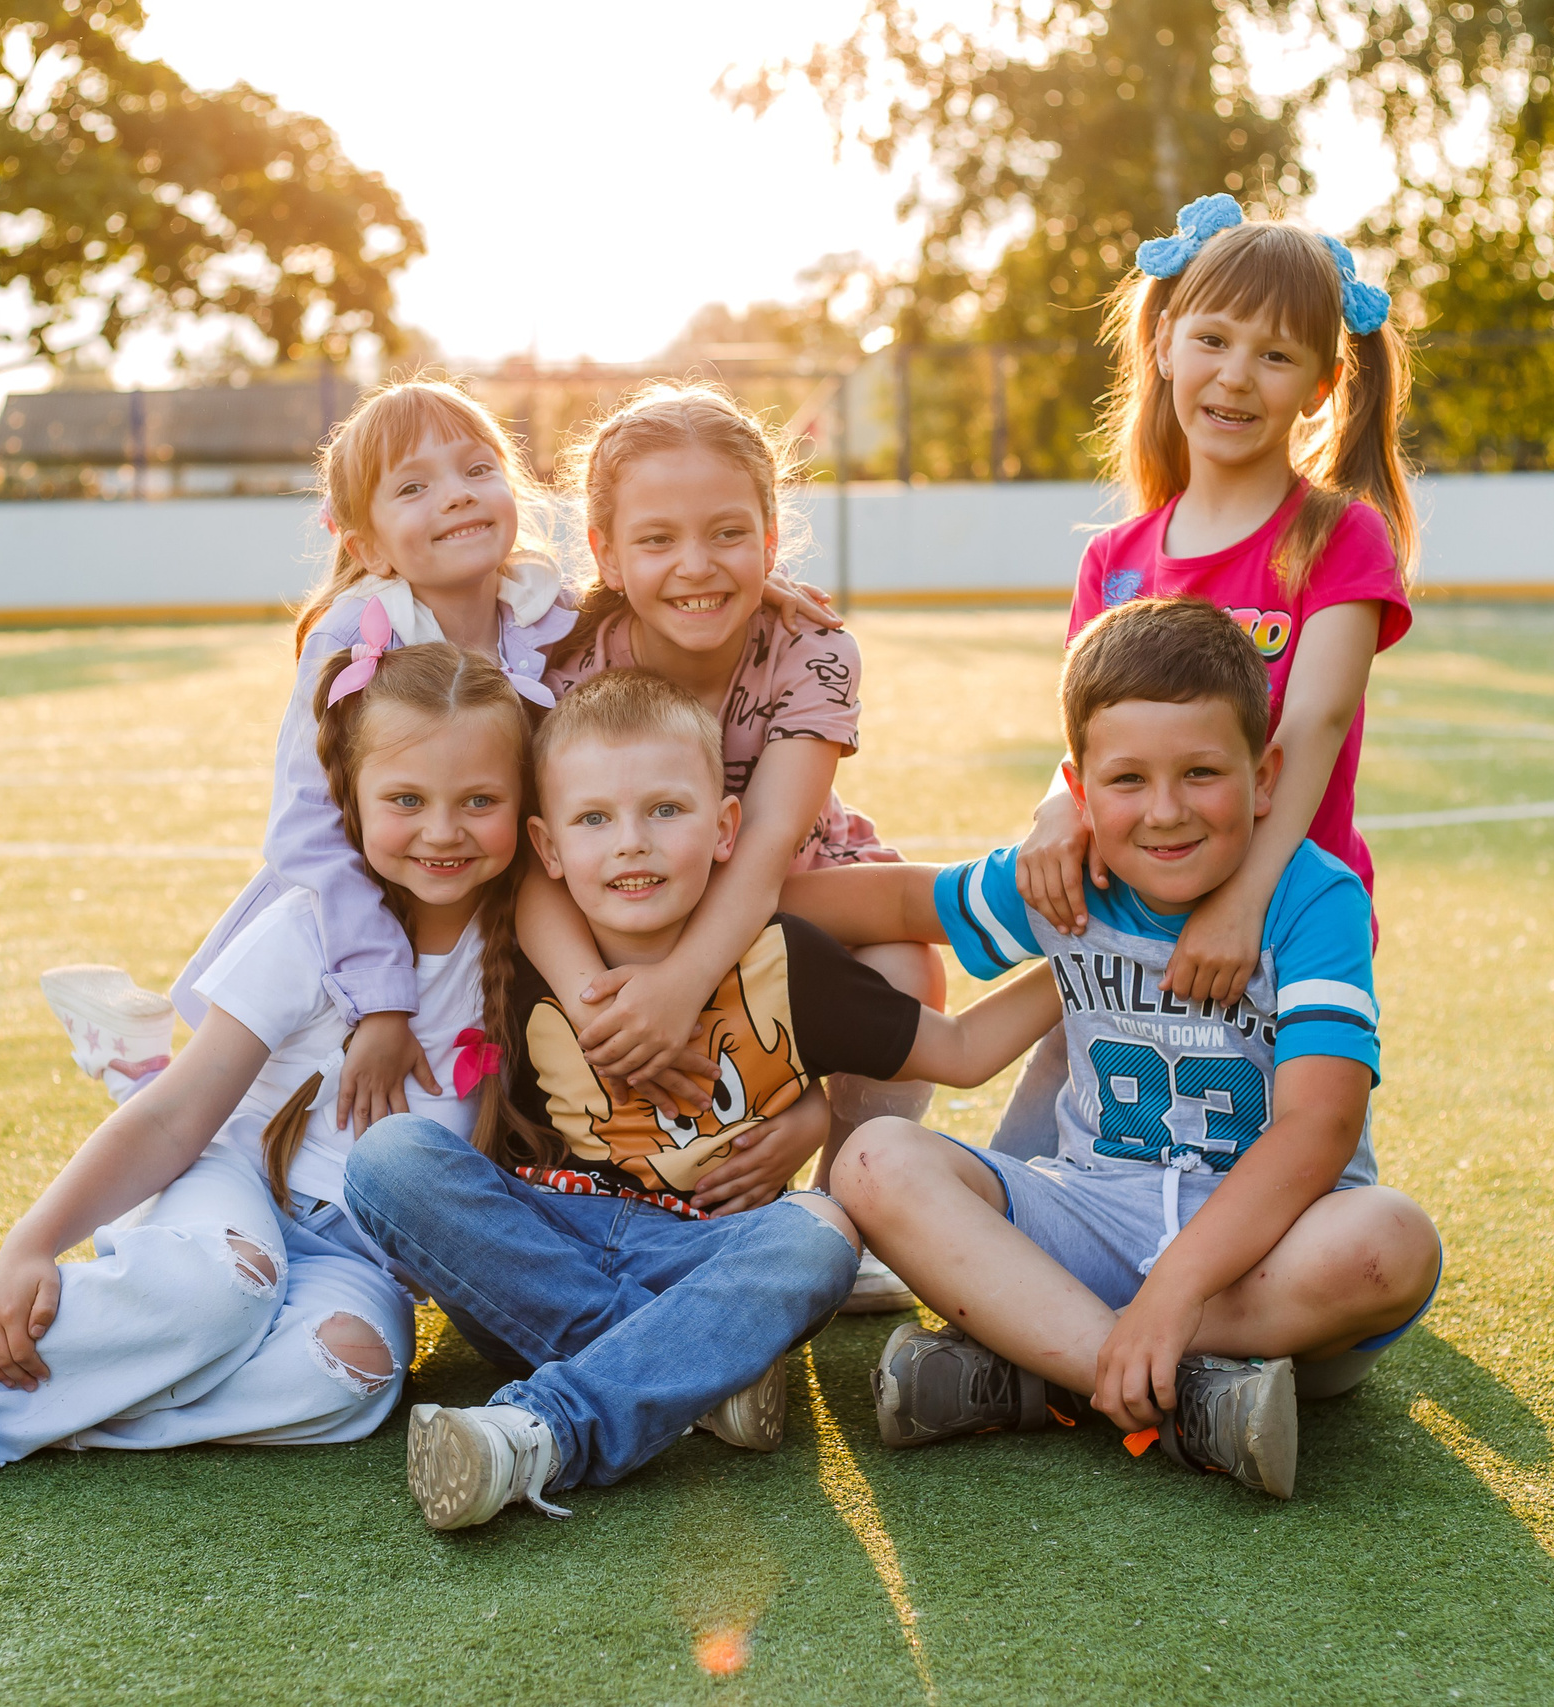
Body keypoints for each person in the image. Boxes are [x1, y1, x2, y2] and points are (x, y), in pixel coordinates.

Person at [0, 643, 534, 1482]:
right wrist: (31, 1244)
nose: (444, 829)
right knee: (227, 1289)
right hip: (239, 1187)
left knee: (351, 1377)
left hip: (360, 1263)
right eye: (406, 798)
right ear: (348, 802)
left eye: (480, 799)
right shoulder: (310, 930)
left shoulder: (530, 948)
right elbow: (172, 1117)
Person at [342, 669, 1056, 1530]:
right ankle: (697, 1364)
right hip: (543, 1238)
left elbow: (965, 1051)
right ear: (549, 845)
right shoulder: (522, 942)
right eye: (595, 819)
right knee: (387, 1160)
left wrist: (1082, 963)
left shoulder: (782, 957)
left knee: (819, 1234)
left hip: (709, 1249)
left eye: (665, 811)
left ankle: (545, 1427)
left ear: (726, 828)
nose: (631, 844)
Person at [43, 378, 841, 1130]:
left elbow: (654, 581)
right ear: (366, 541)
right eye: (414, 486)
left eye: (476, 468)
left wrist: (757, 586)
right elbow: (308, 833)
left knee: (440, 1105)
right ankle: (145, 1079)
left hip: (483, 912)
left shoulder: (539, 615)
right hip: (366, 917)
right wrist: (382, 997)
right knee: (291, 1098)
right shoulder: (356, 635)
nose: (455, 493)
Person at [782, 596, 1442, 1500]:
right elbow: (895, 905)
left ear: (1265, 775)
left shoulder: (1311, 897)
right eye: (1127, 780)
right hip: (1093, 1210)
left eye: (1201, 772)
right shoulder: (1068, 877)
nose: (1165, 812)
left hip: (1267, 1255)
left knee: (1392, 1241)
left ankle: (1041, 1365)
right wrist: (716, 903)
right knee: (874, 1161)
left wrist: (1174, 1292)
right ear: (1079, 788)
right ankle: (1181, 1390)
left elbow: (1318, 1130)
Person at [996, 197, 1419, 1160]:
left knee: (1273, 1194)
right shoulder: (1116, 557)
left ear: (1320, 384)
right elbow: (1088, 745)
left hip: (1276, 931)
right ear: (1163, 346)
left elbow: (1310, 725)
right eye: (1213, 339)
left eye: (1275, 355)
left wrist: (1243, 901)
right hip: (1127, 936)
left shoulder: (1338, 539)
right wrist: (1056, 811)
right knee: (1031, 1175)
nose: (1236, 376)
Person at [523, 380, 944, 1312]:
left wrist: (806, 1114)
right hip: (625, 907)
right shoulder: (562, 658)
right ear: (604, 552)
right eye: (657, 539)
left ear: (770, 532)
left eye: (727, 532)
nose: (695, 566)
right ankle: (627, 1201)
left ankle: (849, 1199)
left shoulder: (813, 647)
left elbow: (766, 849)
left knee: (906, 968)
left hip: (785, 894)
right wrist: (600, 1005)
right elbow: (532, 864)